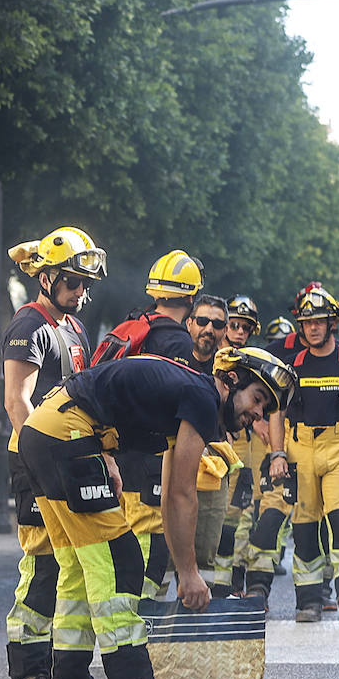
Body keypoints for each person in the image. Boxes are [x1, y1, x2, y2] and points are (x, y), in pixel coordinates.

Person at [16, 347, 293, 679]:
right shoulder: (203, 398)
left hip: (42, 433)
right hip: (68, 433)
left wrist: (184, 569)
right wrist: (190, 575)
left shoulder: (186, 394)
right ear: (231, 380)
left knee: (78, 568)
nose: (258, 414)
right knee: (122, 559)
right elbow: (183, 495)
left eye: (266, 409)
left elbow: (167, 499)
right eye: (258, 399)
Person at [2, 227, 106, 679]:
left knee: (70, 563)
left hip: (70, 456)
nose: (81, 292)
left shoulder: (74, 327)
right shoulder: (30, 327)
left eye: (85, 284)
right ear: (45, 278)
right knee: (43, 562)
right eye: (72, 282)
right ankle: (26, 672)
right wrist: (38, 463)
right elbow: (17, 402)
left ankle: (60, 669)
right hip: (34, 458)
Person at [265, 287, 339, 622]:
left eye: (319, 322)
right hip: (298, 451)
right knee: (304, 527)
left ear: (332, 324)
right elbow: (276, 413)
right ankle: (309, 602)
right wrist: (277, 454)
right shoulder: (291, 363)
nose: (312, 328)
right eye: (307, 322)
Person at [114, 250, 205, 600]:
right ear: (191, 298)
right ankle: (140, 618)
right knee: (151, 543)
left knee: (128, 535)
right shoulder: (179, 343)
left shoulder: (133, 327)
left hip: (120, 454)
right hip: (149, 458)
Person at [212, 294, 267, 597]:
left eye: (246, 328)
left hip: (242, 449)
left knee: (239, 516)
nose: (239, 333)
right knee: (210, 513)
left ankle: (231, 583)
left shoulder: (251, 366)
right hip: (212, 447)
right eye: (234, 325)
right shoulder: (209, 357)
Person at [185, 294, 227, 374]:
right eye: (202, 321)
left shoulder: (226, 372)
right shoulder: (173, 361)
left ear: (225, 331)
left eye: (217, 324)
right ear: (189, 324)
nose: (209, 330)